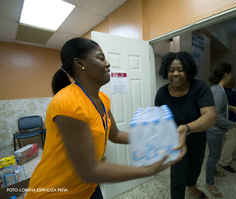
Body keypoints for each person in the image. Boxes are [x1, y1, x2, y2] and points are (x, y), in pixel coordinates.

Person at [24, 38, 186, 199]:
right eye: (101, 58)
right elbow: (90, 171)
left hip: (88, 188)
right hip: (56, 192)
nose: (108, 63)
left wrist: (156, 139)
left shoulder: (102, 99)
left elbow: (115, 135)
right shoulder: (67, 103)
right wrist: (148, 170)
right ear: (80, 64)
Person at [155, 52, 216, 199]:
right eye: (171, 70)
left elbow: (210, 116)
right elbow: (160, 120)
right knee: (177, 176)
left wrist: (186, 128)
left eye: (180, 69)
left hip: (197, 137)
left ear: (188, 71)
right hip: (175, 141)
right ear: (166, 72)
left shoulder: (199, 87)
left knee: (195, 169)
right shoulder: (162, 93)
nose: (175, 73)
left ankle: (192, 187)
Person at [207, 63, 236, 198]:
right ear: (226, 74)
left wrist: (230, 108)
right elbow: (216, 116)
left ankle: (214, 171)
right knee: (213, 157)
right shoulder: (218, 90)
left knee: (216, 155)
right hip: (214, 130)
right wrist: (235, 124)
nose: (231, 76)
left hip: (214, 129)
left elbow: (215, 105)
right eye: (230, 73)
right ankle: (210, 183)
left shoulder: (216, 88)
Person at [219, 78, 236, 174]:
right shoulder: (224, 92)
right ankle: (224, 162)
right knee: (231, 139)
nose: (234, 81)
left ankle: (232, 155)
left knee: (231, 140)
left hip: (232, 119)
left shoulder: (229, 91)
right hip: (229, 120)